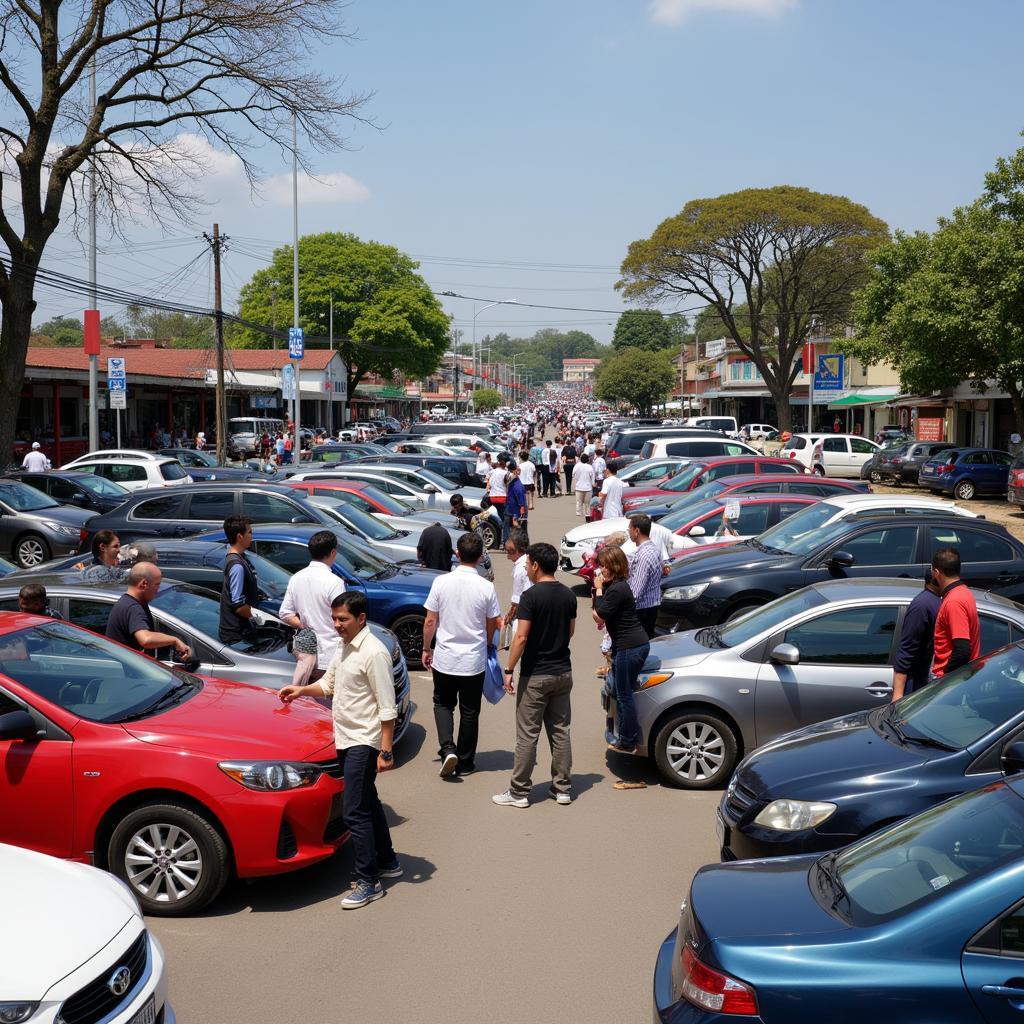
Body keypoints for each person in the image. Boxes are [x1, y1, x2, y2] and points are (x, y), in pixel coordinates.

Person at [279, 591, 401, 909]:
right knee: (368, 802)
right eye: (334, 619)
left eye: (342, 619)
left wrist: (385, 750)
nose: (336, 625)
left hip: (364, 740)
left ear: (361, 619)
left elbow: (388, 708)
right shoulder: (343, 645)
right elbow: (330, 685)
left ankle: (368, 881)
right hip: (344, 737)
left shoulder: (374, 653)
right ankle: (387, 862)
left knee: (354, 811)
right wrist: (301, 690)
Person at [493, 542, 577, 808]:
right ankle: (562, 788)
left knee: (527, 735)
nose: (526, 568)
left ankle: (519, 792)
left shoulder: (531, 597)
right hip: (563, 671)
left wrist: (508, 669)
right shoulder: (568, 595)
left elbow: (520, 636)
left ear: (536, 565)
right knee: (560, 731)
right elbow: (570, 631)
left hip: (536, 674)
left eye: (528, 564)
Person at [422, 532, 501, 778]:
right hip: (473, 659)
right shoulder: (486, 587)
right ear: (480, 557)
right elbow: (493, 622)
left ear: (457, 554)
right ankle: (466, 761)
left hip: (445, 656)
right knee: (470, 710)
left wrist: (426, 647)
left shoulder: (441, 582)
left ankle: (448, 749)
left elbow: (430, 620)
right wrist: (488, 643)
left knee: (443, 703)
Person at [593, 545, 650, 756]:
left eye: (604, 566)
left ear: (614, 566)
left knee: (624, 695)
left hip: (630, 647)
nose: (601, 570)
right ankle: (621, 732)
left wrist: (598, 589)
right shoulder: (617, 586)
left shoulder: (617, 589)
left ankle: (628, 740)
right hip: (626, 647)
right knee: (616, 690)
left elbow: (600, 614)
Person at [278, 530, 346, 679]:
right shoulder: (335, 582)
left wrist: (305, 625)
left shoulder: (296, 578)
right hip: (331, 655)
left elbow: (285, 613)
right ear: (333, 552)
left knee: (309, 700)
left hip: (306, 654)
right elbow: (343, 618)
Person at [106, 563, 192, 659]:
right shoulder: (133, 607)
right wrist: (175, 640)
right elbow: (146, 639)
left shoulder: (131, 603)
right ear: (143, 584)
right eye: (157, 584)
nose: (158, 589)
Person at [891, 570, 942, 700]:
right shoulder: (923, 605)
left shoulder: (926, 603)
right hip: (916, 685)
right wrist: (898, 695)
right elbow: (907, 650)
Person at [931, 547, 981, 679]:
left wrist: (945, 678)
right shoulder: (964, 592)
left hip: (950, 681)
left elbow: (962, 650)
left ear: (936, 572)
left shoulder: (954, 602)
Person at [219, 515, 264, 647]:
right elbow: (238, 606)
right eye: (249, 533)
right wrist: (261, 617)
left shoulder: (240, 559)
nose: (252, 536)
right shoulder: (236, 565)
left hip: (242, 635)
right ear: (240, 536)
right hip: (237, 638)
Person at [627, 514, 664, 639]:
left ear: (636, 531)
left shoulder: (643, 555)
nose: (628, 533)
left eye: (629, 529)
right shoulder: (653, 548)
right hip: (651, 605)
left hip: (642, 609)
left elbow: (636, 591)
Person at [504, 528, 531, 646]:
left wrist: (509, 617)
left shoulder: (520, 568)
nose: (507, 552)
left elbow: (517, 601)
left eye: (510, 550)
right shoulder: (527, 560)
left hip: (524, 617)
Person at [504, 462, 528, 545]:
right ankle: (521, 543)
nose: (519, 470)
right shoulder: (514, 482)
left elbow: (520, 498)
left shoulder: (514, 482)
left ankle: (520, 544)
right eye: (517, 469)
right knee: (519, 528)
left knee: (516, 528)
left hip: (514, 508)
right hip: (515, 508)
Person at [572, 453, 595, 519]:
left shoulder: (577, 466)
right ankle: (587, 514)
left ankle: (578, 512)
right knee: (587, 503)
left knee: (579, 501)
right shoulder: (590, 467)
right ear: (587, 460)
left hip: (579, 487)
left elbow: (573, 475)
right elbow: (592, 476)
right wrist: (593, 483)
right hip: (588, 488)